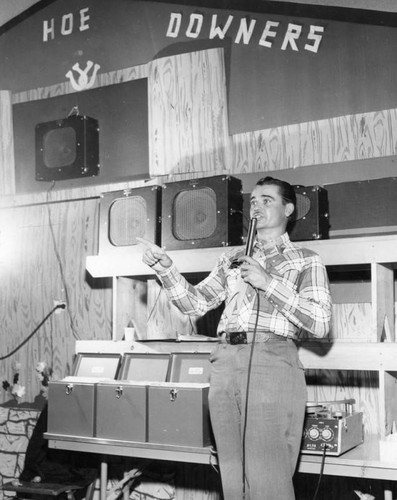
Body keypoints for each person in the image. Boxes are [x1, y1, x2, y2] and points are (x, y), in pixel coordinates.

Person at [138, 176, 332, 500]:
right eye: (253, 201)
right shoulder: (231, 259)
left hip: (272, 361)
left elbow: (321, 323)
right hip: (225, 361)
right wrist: (166, 270)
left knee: (267, 480)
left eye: (266, 200)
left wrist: (267, 281)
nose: (256, 206)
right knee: (232, 478)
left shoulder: (306, 259)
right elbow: (194, 303)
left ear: (289, 208)